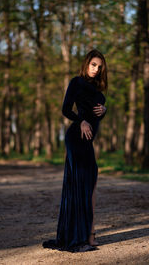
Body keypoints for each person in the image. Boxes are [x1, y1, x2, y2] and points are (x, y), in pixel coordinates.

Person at [43, 49, 108, 252]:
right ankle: (80, 236)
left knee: (91, 182)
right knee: (81, 185)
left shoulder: (98, 92)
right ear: (86, 64)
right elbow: (65, 109)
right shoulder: (76, 82)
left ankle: (89, 233)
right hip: (75, 139)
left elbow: (94, 116)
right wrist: (80, 121)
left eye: (99, 66)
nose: (96, 69)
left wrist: (104, 111)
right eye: (93, 65)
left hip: (87, 142)